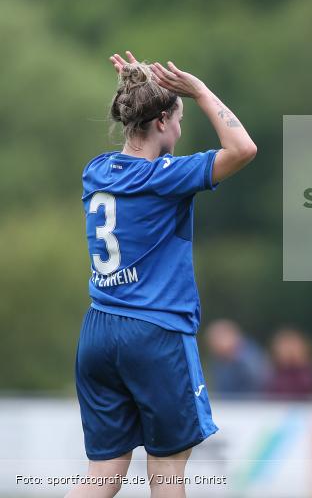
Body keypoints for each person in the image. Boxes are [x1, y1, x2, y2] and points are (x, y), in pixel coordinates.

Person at [70, 51, 256, 498]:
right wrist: (201, 91)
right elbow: (243, 149)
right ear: (159, 124)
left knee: (103, 474)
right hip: (155, 332)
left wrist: (137, 86)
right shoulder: (164, 176)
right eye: (177, 120)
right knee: (168, 472)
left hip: (97, 332)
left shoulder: (95, 171)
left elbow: (134, 145)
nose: (179, 129)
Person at [205, 319, 270, 396]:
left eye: (216, 339)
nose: (214, 346)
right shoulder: (219, 362)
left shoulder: (250, 357)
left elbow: (259, 383)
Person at [264, 328, 312, 399]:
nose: (290, 350)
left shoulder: (311, 376)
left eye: (294, 346)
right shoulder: (270, 376)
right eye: (285, 347)